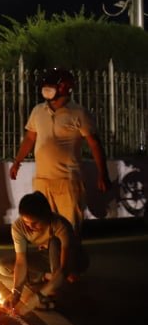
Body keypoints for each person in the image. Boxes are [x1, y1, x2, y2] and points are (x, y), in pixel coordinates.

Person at [9, 68, 111, 235]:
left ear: (65, 87)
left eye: (51, 85)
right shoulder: (38, 111)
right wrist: (17, 162)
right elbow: (29, 139)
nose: (46, 89)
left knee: (69, 230)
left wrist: (102, 174)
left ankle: (71, 260)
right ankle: (51, 259)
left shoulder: (79, 113)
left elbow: (94, 144)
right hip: (42, 181)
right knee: (43, 230)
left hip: (68, 181)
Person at [0, 191, 89, 313]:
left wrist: (37, 298)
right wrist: (16, 293)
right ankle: (47, 277)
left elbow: (63, 269)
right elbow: (21, 261)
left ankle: (52, 290)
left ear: (46, 216)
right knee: (4, 266)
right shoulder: (18, 226)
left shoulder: (60, 225)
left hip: (72, 260)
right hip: (47, 258)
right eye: (26, 222)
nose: (30, 227)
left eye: (35, 223)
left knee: (54, 242)